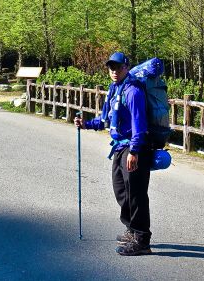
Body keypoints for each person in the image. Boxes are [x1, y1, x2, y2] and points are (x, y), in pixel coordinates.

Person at [74, 51, 152, 256]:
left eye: (118, 67)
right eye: (111, 67)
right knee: (121, 190)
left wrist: (134, 151)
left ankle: (142, 239)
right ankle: (131, 229)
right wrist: (87, 124)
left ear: (126, 67)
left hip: (135, 148)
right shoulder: (114, 89)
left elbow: (140, 125)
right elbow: (106, 119)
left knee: (136, 194)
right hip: (119, 147)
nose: (114, 71)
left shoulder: (133, 91)